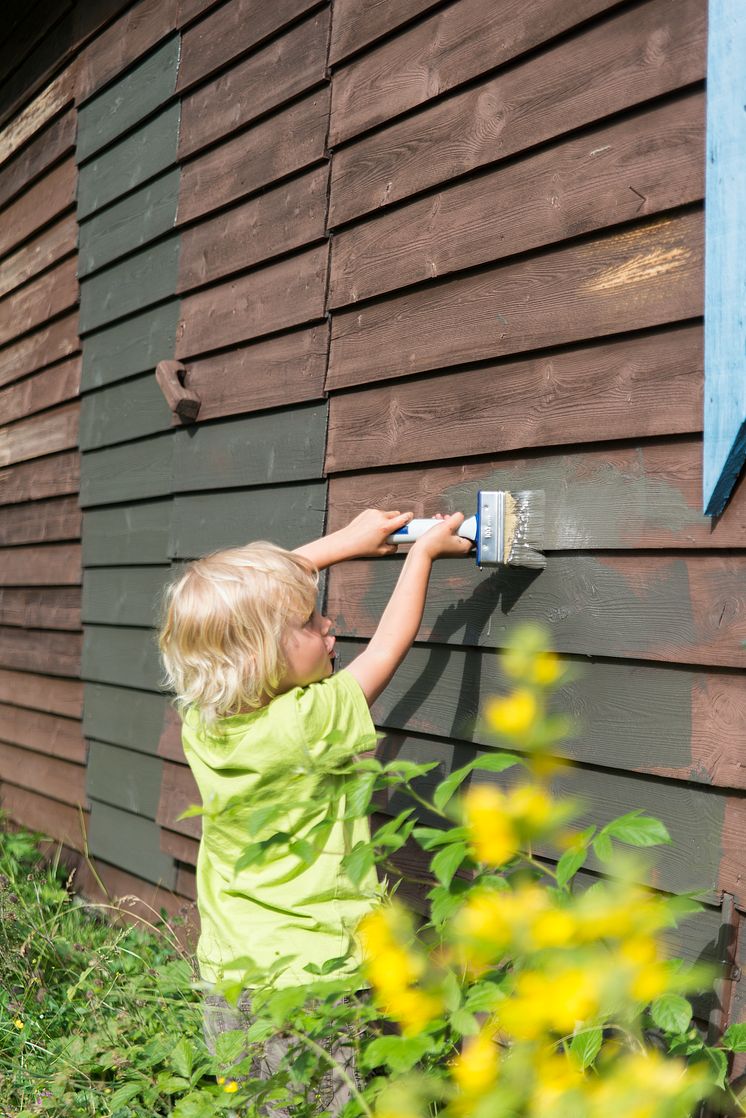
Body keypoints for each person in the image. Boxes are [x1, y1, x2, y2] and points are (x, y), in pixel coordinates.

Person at [158, 508, 472, 1112]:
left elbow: (249, 607)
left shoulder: (203, 716)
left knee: (256, 1102)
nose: (330, 625)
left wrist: (344, 543)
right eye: (310, 622)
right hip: (310, 979)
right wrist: (421, 556)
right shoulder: (306, 722)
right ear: (258, 658)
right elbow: (388, 647)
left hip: (229, 969)